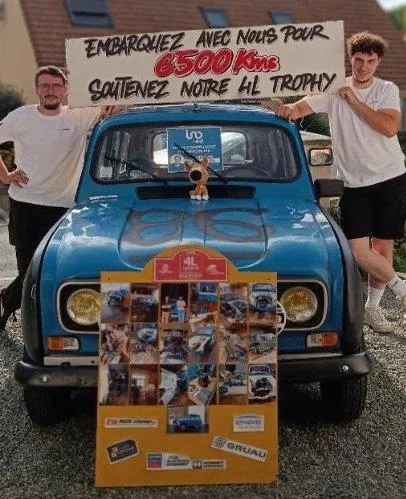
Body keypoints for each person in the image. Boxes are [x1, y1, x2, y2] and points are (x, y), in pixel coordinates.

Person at [263, 32, 406, 334]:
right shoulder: (333, 89)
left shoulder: (386, 90)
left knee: (382, 247)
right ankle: (401, 288)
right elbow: (299, 109)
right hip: (353, 183)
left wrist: (353, 100)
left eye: (370, 61)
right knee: (358, 251)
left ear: (378, 62)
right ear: (349, 59)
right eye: (358, 60)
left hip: (389, 177)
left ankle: (373, 309)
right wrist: (283, 108)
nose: (363, 67)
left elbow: (389, 128)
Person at [0, 66, 123, 332]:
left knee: (56, 267)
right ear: (37, 89)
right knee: (29, 270)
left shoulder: (78, 115)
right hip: (25, 204)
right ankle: (22, 318)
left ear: (66, 90)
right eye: (45, 86)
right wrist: (5, 175)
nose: (51, 91)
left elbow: (115, 105)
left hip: (64, 207)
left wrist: (82, 71)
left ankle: (15, 303)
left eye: (56, 86)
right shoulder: (20, 117)